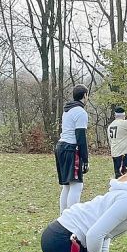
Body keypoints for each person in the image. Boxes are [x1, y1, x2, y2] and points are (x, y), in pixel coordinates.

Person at [55, 84, 90, 214]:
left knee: (67, 186)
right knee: (76, 185)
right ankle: (71, 218)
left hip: (61, 146)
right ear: (85, 95)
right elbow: (80, 137)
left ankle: (63, 217)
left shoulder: (67, 110)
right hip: (71, 149)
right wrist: (85, 159)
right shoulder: (81, 112)